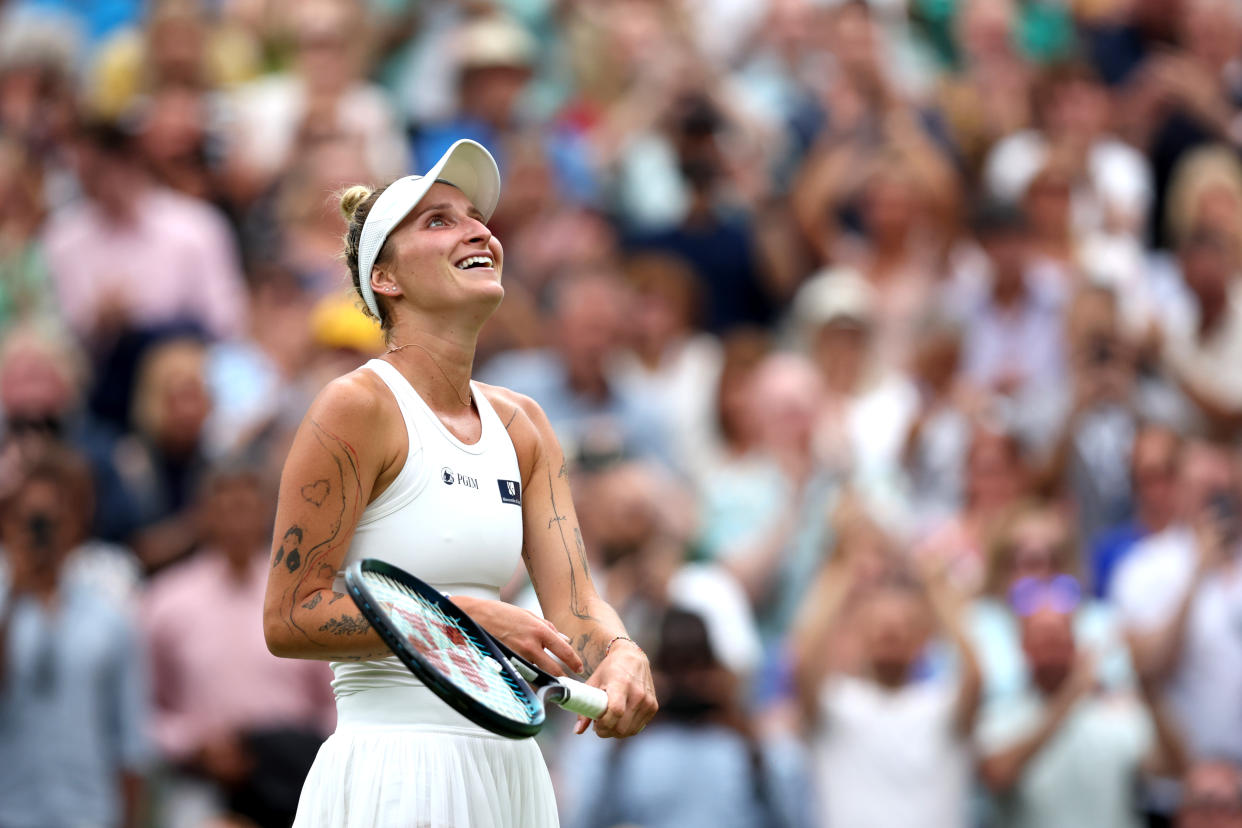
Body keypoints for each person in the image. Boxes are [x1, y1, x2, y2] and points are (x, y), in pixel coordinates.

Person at [262, 139, 657, 827]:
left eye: (477, 216)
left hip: (511, 773)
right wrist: (460, 619)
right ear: (385, 278)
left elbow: (576, 606)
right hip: (394, 768)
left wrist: (621, 656)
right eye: (438, 220)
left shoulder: (525, 424)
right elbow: (290, 615)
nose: (479, 230)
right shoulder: (355, 407)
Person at [0, 447, 150, 827]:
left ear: (75, 522)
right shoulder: (4, 608)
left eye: (52, 519)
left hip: (89, 812)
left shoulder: (109, 617)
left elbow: (128, 739)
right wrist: (15, 594)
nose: (42, 533)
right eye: (31, 520)